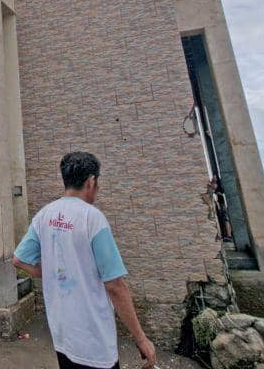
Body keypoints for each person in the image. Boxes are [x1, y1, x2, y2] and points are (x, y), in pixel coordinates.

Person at [13, 151, 156, 369]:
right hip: (94, 341)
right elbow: (115, 286)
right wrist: (141, 339)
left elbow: (19, 259)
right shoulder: (92, 218)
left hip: (62, 335)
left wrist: (50, 270)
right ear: (91, 182)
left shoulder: (45, 215)